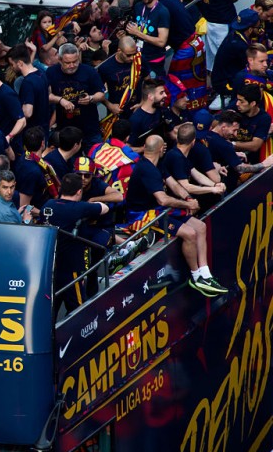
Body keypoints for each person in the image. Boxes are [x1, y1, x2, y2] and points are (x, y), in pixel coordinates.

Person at [124, 135, 228, 296]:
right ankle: (196, 277)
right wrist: (187, 205)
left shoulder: (158, 164)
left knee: (200, 226)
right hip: (142, 215)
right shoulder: (146, 169)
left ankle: (205, 274)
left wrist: (188, 198)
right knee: (189, 233)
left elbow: (173, 183)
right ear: (161, 149)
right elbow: (163, 199)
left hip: (157, 209)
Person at [44, 173, 110, 314]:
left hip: (51, 267)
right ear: (79, 191)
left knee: (51, 309)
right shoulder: (79, 208)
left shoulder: (48, 206)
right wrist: (89, 204)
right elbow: (105, 208)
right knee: (78, 309)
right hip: (72, 268)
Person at [47, 43, 106, 150]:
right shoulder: (51, 72)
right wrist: (60, 100)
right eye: (67, 63)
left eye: (75, 61)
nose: (72, 65)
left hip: (89, 128)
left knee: (97, 159)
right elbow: (47, 95)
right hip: (66, 129)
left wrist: (91, 98)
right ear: (60, 60)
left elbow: (101, 94)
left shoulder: (89, 71)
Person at [161, 123, 226, 199]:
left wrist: (215, 185)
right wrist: (212, 189)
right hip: (174, 200)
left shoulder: (182, 154)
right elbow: (186, 186)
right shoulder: (176, 157)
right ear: (193, 141)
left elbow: (196, 174)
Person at [126, 0, 170, 78]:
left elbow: (161, 42)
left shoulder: (162, 12)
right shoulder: (138, 7)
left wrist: (138, 33)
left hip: (154, 61)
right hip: (137, 58)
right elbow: (136, 28)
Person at [8, 43, 51, 136]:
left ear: (19, 63)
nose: (12, 67)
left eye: (12, 64)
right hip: (44, 129)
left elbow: (27, 112)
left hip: (32, 133)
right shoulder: (41, 74)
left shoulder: (27, 82)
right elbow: (49, 93)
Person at [13, 126, 58, 209]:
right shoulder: (32, 171)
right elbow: (23, 205)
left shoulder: (24, 157)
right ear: (42, 143)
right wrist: (42, 213)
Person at [128, 78, 167, 152]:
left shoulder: (160, 110)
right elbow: (127, 148)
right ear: (150, 96)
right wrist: (145, 149)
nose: (165, 95)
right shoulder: (136, 120)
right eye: (161, 93)